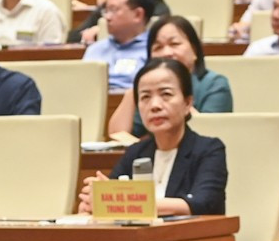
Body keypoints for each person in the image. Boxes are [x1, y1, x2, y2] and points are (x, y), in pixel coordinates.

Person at [82, 58, 226, 219]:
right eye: (145, 97)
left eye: (166, 94)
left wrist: (119, 201)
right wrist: (93, 200)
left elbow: (202, 203)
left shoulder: (208, 150)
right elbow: (107, 201)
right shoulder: (136, 152)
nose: (155, 105)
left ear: (187, 103)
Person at [84, 0, 154, 95]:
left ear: (138, 15)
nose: (107, 17)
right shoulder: (94, 49)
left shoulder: (154, 49)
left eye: (113, 10)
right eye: (106, 11)